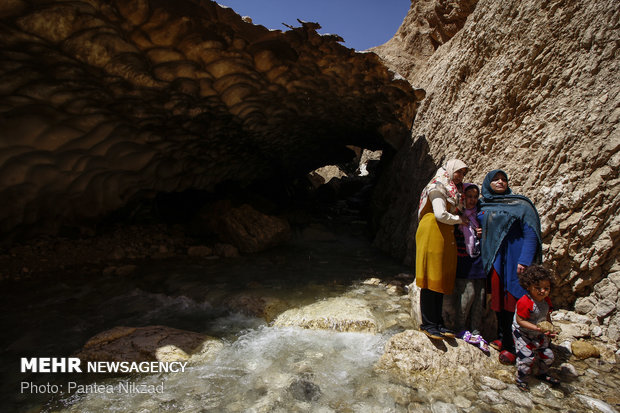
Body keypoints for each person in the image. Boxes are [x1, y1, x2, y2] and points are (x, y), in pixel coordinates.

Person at [479, 169, 542, 364]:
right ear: (488, 183)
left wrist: (525, 260)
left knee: (514, 300)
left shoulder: (520, 204)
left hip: (515, 259)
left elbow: (531, 232)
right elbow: (477, 221)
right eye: (496, 179)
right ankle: (502, 336)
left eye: (503, 179)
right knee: (498, 299)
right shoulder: (483, 203)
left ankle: (513, 346)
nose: (500, 182)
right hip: (496, 259)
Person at [416, 159, 468, 340]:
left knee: (439, 277)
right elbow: (440, 214)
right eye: (458, 172)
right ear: (450, 170)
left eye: (463, 173)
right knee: (431, 277)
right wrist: (460, 220)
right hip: (432, 231)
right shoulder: (438, 186)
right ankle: (428, 323)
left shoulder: (452, 189)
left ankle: (437, 322)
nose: (460, 176)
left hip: (444, 233)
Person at [445, 183, 488, 351]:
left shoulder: (480, 215)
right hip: (462, 259)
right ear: (463, 198)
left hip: (478, 259)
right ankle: (460, 327)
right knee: (468, 293)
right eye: (469, 196)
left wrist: (481, 232)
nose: (472, 200)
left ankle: (476, 330)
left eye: (475, 197)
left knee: (480, 294)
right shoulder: (457, 215)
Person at [512, 265, 560, 391]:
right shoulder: (525, 302)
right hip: (523, 333)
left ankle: (541, 373)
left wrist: (550, 329)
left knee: (549, 356)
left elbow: (547, 315)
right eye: (538, 288)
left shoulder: (546, 301)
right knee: (526, 358)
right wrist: (538, 328)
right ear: (529, 287)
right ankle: (521, 379)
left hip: (538, 333)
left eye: (546, 288)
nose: (542, 291)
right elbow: (520, 321)